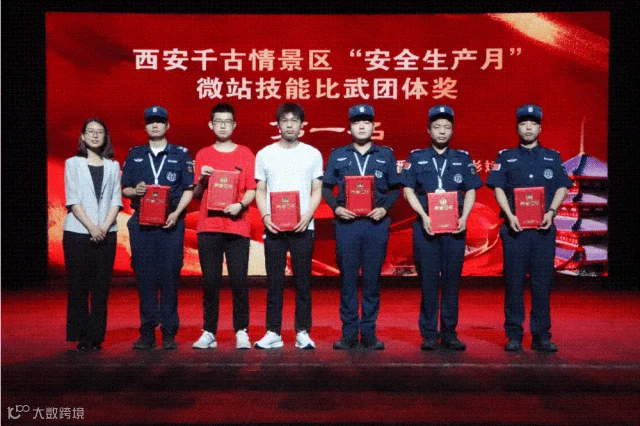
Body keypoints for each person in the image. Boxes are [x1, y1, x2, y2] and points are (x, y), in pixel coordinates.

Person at [485, 104, 572, 352]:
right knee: (513, 284)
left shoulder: (552, 157)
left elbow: (562, 186)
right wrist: (509, 214)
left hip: (543, 231)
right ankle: (514, 334)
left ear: (540, 128)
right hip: (515, 231)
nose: (528, 128)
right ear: (517, 128)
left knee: (541, 285)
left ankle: (541, 335)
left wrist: (551, 212)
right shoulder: (506, 157)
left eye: (533, 124)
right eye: (524, 124)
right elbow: (498, 187)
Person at [400, 105, 482, 351]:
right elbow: (407, 191)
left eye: (447, 127)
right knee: (428, 282)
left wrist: (464, 217)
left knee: (451, 282)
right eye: (437, 127)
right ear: (429, 130)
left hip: (455, 229)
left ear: (452, 130)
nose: (442, 131)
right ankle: (428, 333)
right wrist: (423, 215)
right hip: (426, 228)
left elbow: (471, 190)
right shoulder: (416, 158)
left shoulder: (462, 158)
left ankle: (449, 332)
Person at [322, 104, 400, 350]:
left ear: (374, 126)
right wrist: (336, 208)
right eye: (357, 122)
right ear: (350, 127)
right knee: (347, 280)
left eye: (367, 122)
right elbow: (326, 187)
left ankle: (368, 333)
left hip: (376, 225)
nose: (362, 126)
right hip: (347, 225)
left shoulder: (385, 155)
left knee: (372, 281)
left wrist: (384, 208)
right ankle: (348, 333)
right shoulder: (338, 155)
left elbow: (396, 188)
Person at [122, 105, 194, 350]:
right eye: (150, 121)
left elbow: (189, 189)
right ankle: (147, 330)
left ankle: (169, 331)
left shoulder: (181, 154)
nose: (155, 125)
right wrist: (135, 191)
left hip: (171, 222)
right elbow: (125, 189)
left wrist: (177, 213)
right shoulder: (135, 155)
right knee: (145, 277)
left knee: (170, 276)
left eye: (159, 121)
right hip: (142, 224)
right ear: (145, 126)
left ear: (167, 126)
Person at [253, 103, 323, 349]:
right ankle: (273, 331)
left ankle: (303, 331)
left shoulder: (312, 154)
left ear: (302, 125)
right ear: (278, 125)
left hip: (303, 227)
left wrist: (307, 216)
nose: (290, 125)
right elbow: (260, 190)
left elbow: (317, 189)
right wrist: (265, 216)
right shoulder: (265, 154)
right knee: (274, 282)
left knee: (303, 282)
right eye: (285, 120)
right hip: (274, 227)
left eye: (294, 120)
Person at [191, 103, 256, 350]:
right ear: (211, 125)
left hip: (237, 226)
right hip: (209, 227)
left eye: (227, 122)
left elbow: (252, 189)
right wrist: (201, 179)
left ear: (234, 125)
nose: (223, 126)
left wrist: (240, 205)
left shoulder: (245, 154)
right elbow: (197, 194)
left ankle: (242, 330)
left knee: (239, 281)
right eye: (218, 121)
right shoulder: (203, 154)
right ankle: (209, 331)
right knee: (210, 282)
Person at [63, 118, 123, 351]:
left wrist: (104, 227)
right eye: (91, 131)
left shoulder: (113, 166)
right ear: (83, 136)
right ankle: (81, 336)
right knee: (78, 286)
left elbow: (116, 200)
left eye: (100, 132)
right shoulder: (72, 163)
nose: (95, 135)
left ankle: (96, 336)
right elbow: (73, 200)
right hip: (78, 232)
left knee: (101, 288)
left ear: (106, 137)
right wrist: (91, 227)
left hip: (107, 233)